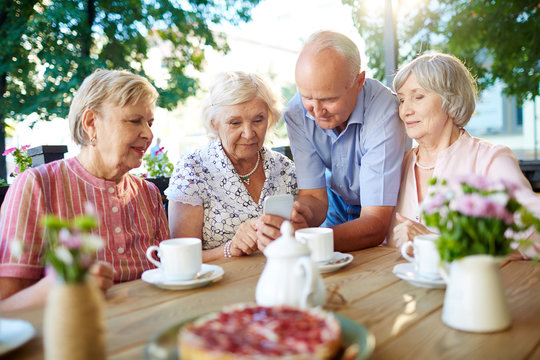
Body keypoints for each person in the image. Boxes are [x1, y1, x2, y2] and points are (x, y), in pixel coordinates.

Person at [0, 69, 170, 311]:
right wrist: (62, 285)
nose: (149, 134)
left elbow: (169, 273)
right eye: (135, 121)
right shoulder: (36, 185)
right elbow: (5, 305)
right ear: (91, 124)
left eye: (150, 123)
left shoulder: (148, 193)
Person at [257, 30, 407, 252]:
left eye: (329, 99)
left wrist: (305, 240)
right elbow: (314, 197)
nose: (317, 112)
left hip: (386, 209)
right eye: (307, 97)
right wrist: (302, 217)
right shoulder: (297, 112)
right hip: (336, 201)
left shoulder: (384, 110)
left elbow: (376, 223)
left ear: (359, 82)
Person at [387, 52, 540, 258]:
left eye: (418, 97)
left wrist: (439, 243)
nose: (405, 110)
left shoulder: (490, 160)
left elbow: (535, 229)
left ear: (451, 100)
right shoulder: (397, 165)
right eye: (402, 100)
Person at [165, 71, 297, 262]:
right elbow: (179, 258)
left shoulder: (284, 167)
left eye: (258, 120)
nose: (249, 133)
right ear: (214, 122)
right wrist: (229, 249)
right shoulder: (192, 170)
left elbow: (303, 234)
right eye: (235, 123)